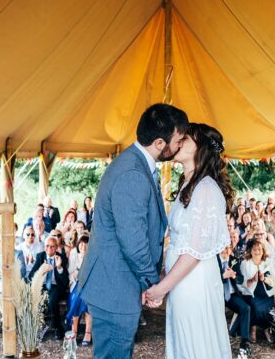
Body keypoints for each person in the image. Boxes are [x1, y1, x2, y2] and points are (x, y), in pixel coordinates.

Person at [77, 103, 188, 359]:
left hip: (115, 281)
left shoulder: (134, 163)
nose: (180, 145)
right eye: (178, 140)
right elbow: (133, 241)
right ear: (160, 143)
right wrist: (152, 284)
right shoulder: (132, 173)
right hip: (115, 286)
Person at [146, 122, 233, 359]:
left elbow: (194, 251)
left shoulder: (205, 189)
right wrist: (163, 280)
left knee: (195, 346)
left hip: (195, 282)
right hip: (182, 281)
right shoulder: (188, 185)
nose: (179, 142)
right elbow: (179, 242)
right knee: (183, 344)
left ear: (200, 148)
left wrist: (161, 289)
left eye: (186, 139)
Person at [0, 234, 26, 340]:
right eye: (0, 242)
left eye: (5, 241)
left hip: (13, 286)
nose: (2, 244)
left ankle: (12, 323)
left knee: (12, 296)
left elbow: (23, 273)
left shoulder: (17, 254)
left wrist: (12, 270)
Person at [28, 236, 70, 340]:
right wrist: (41, 271)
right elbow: (31, 276)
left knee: (51, 301)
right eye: (47, 246)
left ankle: (55, 328)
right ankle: (44, 327)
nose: (49, 248)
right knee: (39, 302)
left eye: (52, 246)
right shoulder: (40, 257)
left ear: (56, 247)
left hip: (56, 286)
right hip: (42, 286)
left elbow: (65, 281)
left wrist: (59, 267)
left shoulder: (61, 257)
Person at [239, 239, 275, 344]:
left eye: (259, 249)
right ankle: (254, 329)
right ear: (250, 251)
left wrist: (264, 279)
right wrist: (252, 279)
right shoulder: (245, 263)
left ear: (263, 251)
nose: (257, 251)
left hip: (267, 292)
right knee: (257, 308)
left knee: (272, 306)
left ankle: (265, 328)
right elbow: (241, 283)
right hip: (251, 293)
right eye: (254, 249)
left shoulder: (268, 262)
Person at [218, 246, 251, 358]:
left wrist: (234, 276)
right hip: (217, 296)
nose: (226, 251)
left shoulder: (234, 261)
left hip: (231, 295)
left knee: (245, 308)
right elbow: (209, 281)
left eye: (228, 248)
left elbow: (241, 279)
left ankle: (244, 342)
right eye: (223, 248)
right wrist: (223, 276)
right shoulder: (214, 261)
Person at [66, 234, 92, 346]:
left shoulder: (93, 257)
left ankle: (87, 332)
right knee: (77, 298)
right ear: (78, 245)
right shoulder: (74, 256)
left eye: (86, 243)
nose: (83, 245)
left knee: (84, 299)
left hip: (91, 286)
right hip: (77, 285)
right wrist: (79, 264)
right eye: (81, 243)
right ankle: (75, 331)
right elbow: (72, 276)